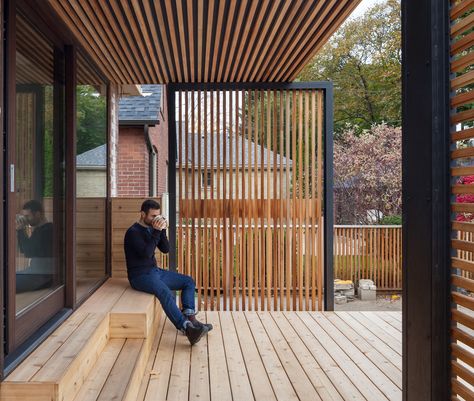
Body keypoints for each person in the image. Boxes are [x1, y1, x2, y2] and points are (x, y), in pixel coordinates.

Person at [124, 199, 212, 345]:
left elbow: (165, 249)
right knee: (164, 291)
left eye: (158, 216)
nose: (155, 220)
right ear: (142, 214)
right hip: (139, 276)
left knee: (188, 281)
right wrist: (156, 232)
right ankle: (187, 328)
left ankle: (191, 318)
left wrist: (162, 230)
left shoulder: (153, 229)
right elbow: (146, 253)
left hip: (154, 272)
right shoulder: (133, 232)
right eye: (153, 216)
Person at [16, 199, 54, 292]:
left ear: (37, 214)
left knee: (6, 282)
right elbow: (24, 250)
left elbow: (29, 253)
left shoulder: (46, 231)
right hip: (35, 273)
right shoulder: (41, 229)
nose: (25, 219)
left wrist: (20, 230)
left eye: (27, 216)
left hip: (41, 277)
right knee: (7, 277)